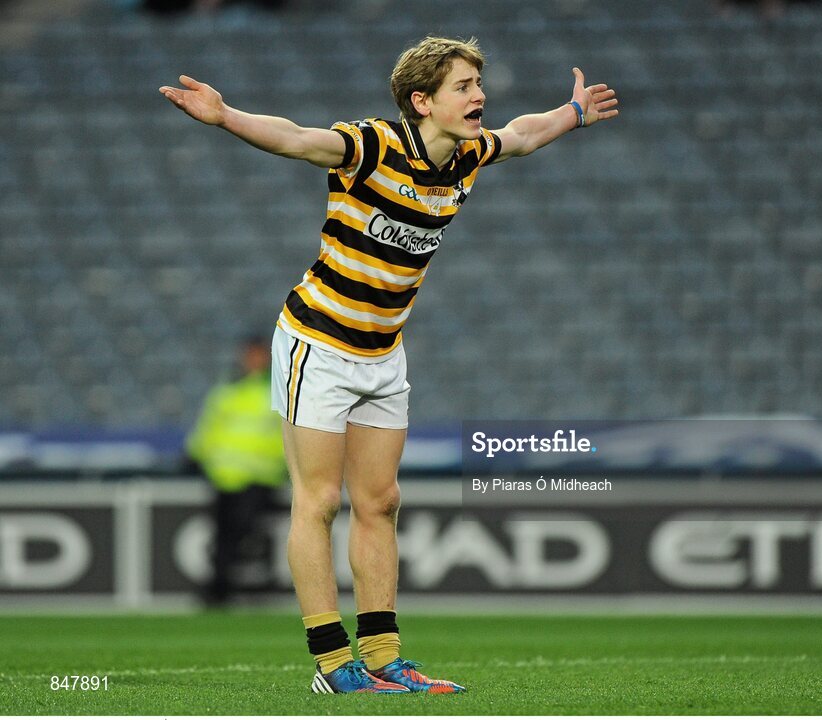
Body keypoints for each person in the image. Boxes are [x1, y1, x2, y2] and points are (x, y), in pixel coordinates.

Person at [160, 35, 618, 695]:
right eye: (463, 87)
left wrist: (571, 114)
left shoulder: (468, 153)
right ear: (421, 101)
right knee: (317, 501)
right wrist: (227, 116)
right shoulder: (374, 145)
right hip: (318, 342)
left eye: (476, 85)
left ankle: (382, 658)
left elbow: (521, 135)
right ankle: (330, 664)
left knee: (380, 501)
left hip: (382, 352)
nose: (479, 97)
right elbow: (295, 138)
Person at [186, 336, 286, 606]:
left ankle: (239, 584)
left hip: (260, 476)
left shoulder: (277, 389)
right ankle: (221, 587)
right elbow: (209, 427)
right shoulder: (227, 390)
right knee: (225, 533)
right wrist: (196, 454)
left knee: (245, 531)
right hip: (224, 474)